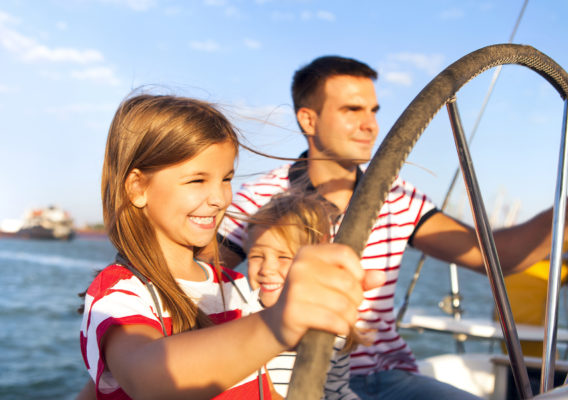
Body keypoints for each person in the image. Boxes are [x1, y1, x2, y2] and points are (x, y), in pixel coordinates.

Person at [217, 55, 568, 399]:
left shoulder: (397, 195)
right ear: (308, 119)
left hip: (388, 377)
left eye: (373, 110)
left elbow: (495, 258)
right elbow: (199, 279)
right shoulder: (258, 198)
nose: (370, 124)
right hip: (296, 377)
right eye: (353, 110)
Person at [79, 93, 384, 400]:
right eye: (197, 180)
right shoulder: (119, 293)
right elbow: (146, 377)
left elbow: (258, 387)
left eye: (226, 179)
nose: (220, 198)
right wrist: (276, 323)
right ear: (137, 188)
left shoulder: (236, 288)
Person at [244, 192, 370, 399]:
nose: (267, 268)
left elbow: (335, 391)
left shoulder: (335, 328)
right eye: (256, 256)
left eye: (284, 256)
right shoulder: (240, 319)